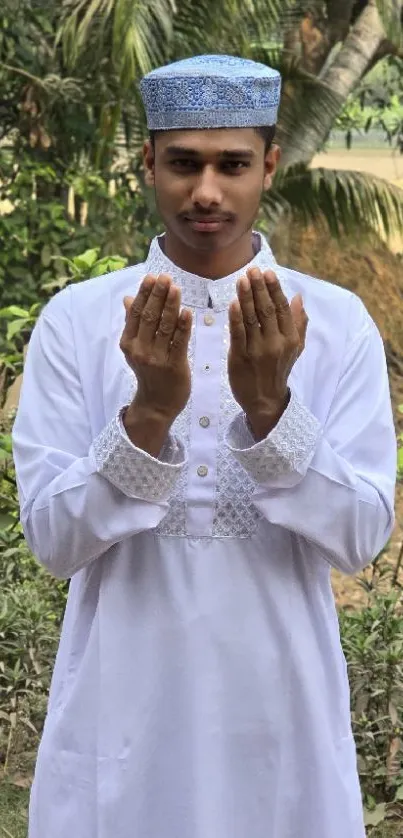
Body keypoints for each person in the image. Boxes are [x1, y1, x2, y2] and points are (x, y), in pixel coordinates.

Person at [12, 55, 396, 838]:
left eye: (232, 164)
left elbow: (360, 536)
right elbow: (54, 543)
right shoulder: (78, 322)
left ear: (270, 167)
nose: (207, 192)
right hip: (120, 718)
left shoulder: (334, 321)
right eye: (184, 163)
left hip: (278, 718)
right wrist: (148, 416)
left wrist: (269, 410)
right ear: (149, 163)